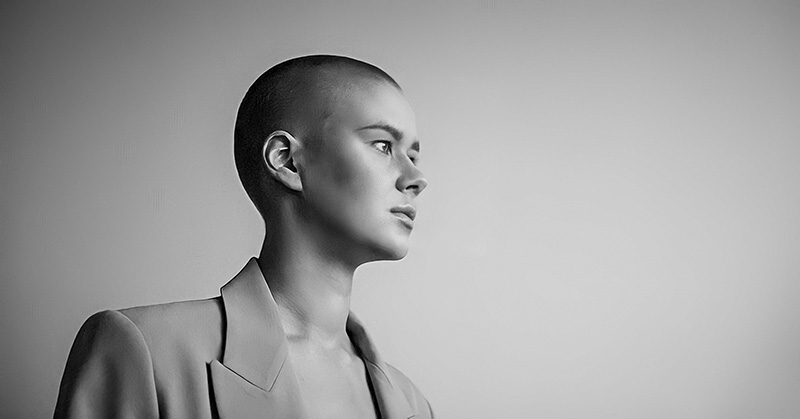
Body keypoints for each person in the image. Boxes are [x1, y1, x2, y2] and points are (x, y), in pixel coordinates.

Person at [54, 55, 432, 419]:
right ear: (287, 161)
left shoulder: (414, 403)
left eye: (414, 155)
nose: (415, 178)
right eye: (384, 145)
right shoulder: (144, 351)